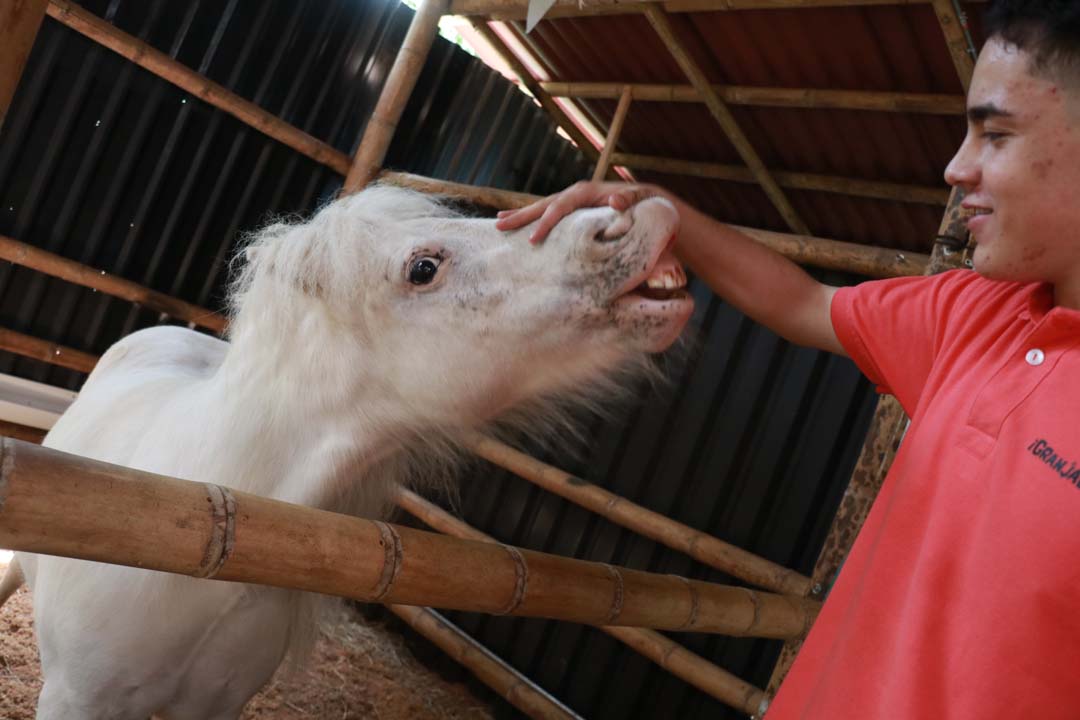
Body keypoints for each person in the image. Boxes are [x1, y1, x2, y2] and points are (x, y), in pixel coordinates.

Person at [495, 1, 1080, 717]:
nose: (957, 168)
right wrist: (656, 205)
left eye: (994, 134)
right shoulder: (973, 312)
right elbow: (804, 304)